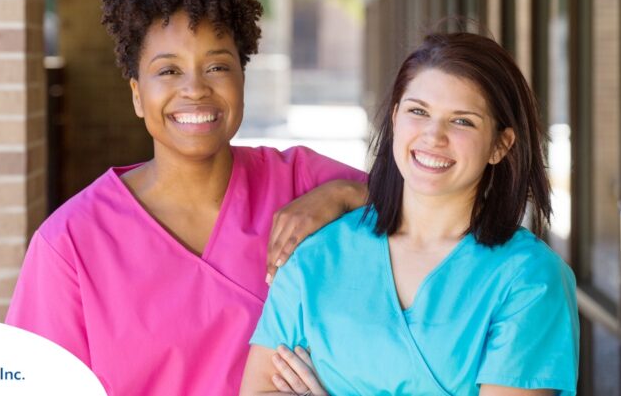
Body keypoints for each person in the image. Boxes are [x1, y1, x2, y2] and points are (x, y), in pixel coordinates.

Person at [5, 0, 366, 395]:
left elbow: (444, 209)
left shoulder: (302, 183)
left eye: (217, 66)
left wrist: (344, 195)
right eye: (168, 70)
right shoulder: (71, 245)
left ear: (241, 79)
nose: (195, 88)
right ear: (137, 95)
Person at [241, 32, 579, 396]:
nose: (433, 136)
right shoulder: (315, 256)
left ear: (500, 145)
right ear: (395, 117)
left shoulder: (529, 278)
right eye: (418, 111)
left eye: (462, 121)